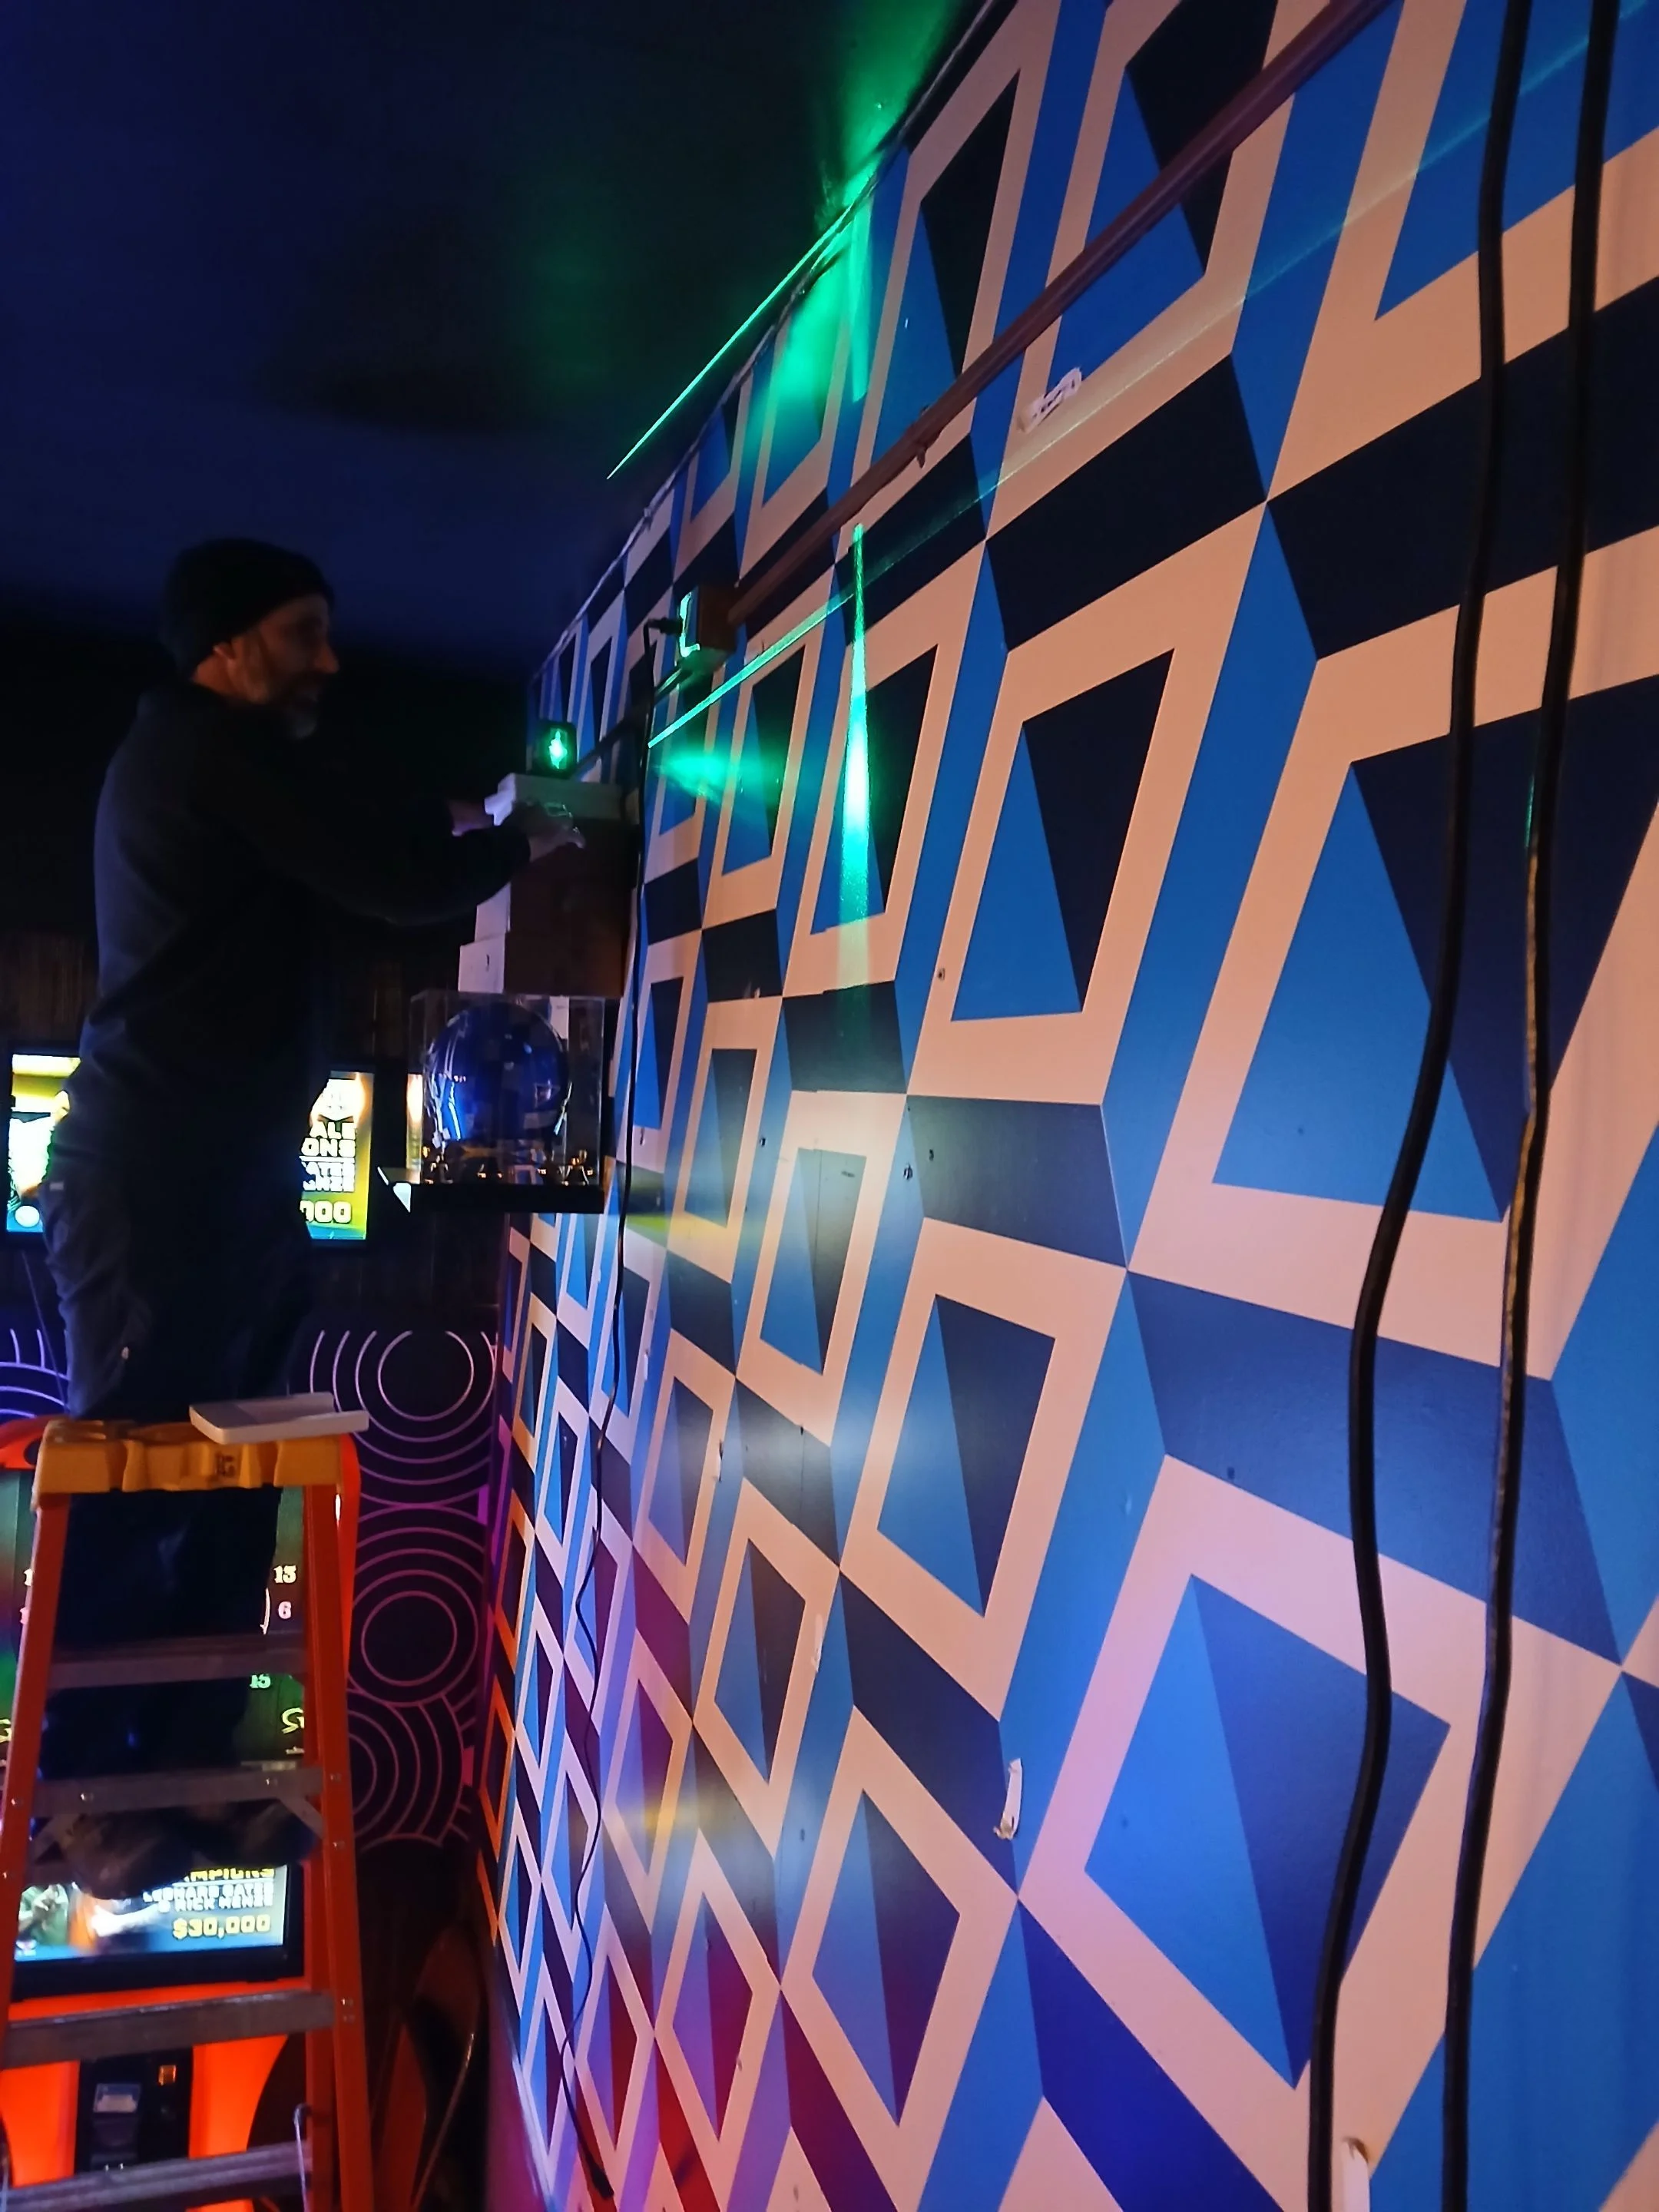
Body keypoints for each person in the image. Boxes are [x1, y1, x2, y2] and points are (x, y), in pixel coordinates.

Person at [36, 538, 575, 1894]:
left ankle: (188, 1769)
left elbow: (361, 829)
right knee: (132, 1481)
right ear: (226, 647)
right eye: (302, 634)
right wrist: (527, 839)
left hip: (217, 1185)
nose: (328, 660)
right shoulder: (198, 753)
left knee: (229, 1478)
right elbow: (394, 881)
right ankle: (82, 1798)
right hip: (151, 1189)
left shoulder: (216, 758)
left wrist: (460, 823)